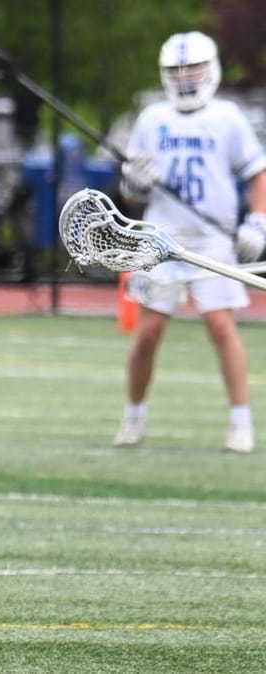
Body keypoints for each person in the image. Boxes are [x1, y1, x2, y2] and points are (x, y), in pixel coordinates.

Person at [113, 31, 266, 453]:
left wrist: (258, 223)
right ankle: (133, 415)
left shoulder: (227, 117)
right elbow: (132, 195)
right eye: (177, 70)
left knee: (220, 326)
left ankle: (240, 421)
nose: (185, 78)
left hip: (213, 237)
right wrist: (134, 183)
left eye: (193, 69)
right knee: (148, 332)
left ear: (210, 70)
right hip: (162, 237)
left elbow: (258, 175)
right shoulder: (152, 119)